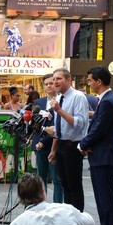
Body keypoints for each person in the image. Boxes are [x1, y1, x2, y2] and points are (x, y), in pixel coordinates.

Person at [78, 66, 113, 225]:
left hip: (105, 158)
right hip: (101, 157)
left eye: (90, 80)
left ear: (99, 81)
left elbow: (99, 129)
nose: (88, 83)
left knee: (106, 203)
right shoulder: (106, 100)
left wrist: (82, 144)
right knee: (103, 202)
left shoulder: (108, 101)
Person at [47, 68, 89, 212]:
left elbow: (79, 122)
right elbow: (59, 128)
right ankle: (69, 214)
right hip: (61, 145)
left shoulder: (78, 97)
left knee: (74, 184)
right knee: (64, 184)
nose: (55, 82)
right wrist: (53, 149)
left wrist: (59, 111)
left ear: (69, 80)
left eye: (58, 79)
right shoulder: (58, 98)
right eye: (54, 79)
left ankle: (77, 216)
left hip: (73, 146)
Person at [10, 173, 94, 225]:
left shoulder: (18, 223)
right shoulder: (67, 210)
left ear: (20, 198)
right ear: (43, 192)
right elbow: (90, 221)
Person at [32, 74, 63, 203]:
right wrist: (43, 131)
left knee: (57, 180)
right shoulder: (39, 103)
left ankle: (57, 208)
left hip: (57, 145)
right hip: (41, 145)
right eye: (46, 84)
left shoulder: (63, 101)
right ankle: (41, 206)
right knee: (41, 179)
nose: (49, 86)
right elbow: (35, 124)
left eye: (51, 83)